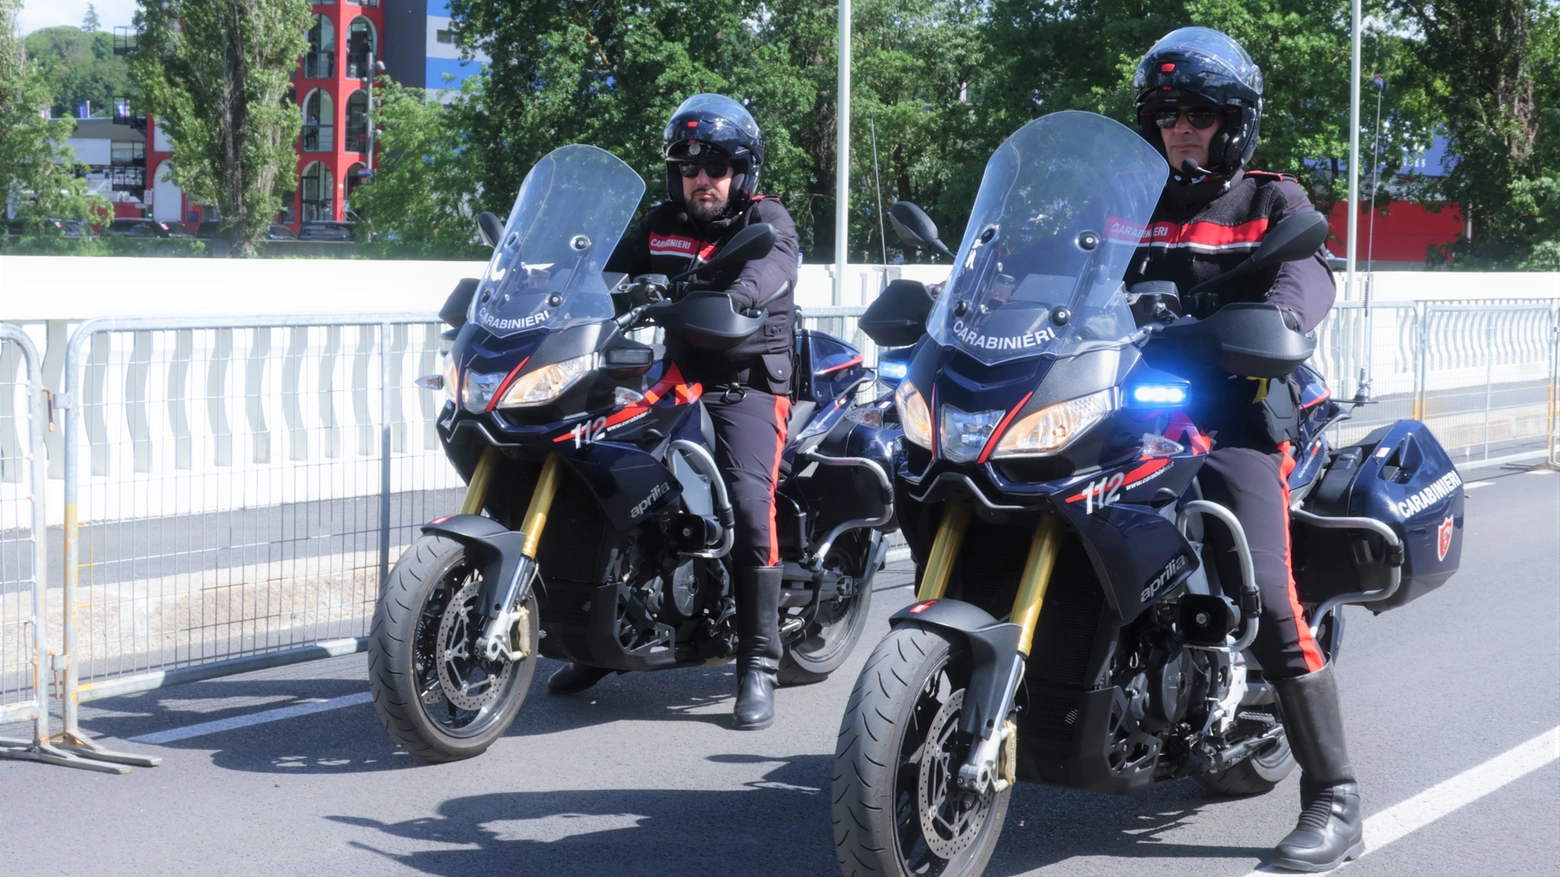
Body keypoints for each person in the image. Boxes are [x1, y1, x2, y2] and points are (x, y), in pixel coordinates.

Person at [1124, 28, 1358, 873]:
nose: (1182, 126)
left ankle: (1335, 796)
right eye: (1167, 113)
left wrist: (1286, 320)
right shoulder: (1126, 199)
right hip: (1121, 412)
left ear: (1236, 122)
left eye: (1202, 113)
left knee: (1263, 584)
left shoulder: (1271, 200)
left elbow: (1310, 276)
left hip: (1235, 412)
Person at [544, 94, 800, 732]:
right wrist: (546, 272)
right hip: (678, 378)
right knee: (603, 473)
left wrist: (730, 293)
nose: (701, 180)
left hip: (747, 386)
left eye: (715, 167)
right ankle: (599, 641)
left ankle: (759, 663)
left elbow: (768, 274)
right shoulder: (661, 222)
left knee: (747, 503)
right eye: (689, 168)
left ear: (741, 173)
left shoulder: (768, 221)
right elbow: (601, 268)